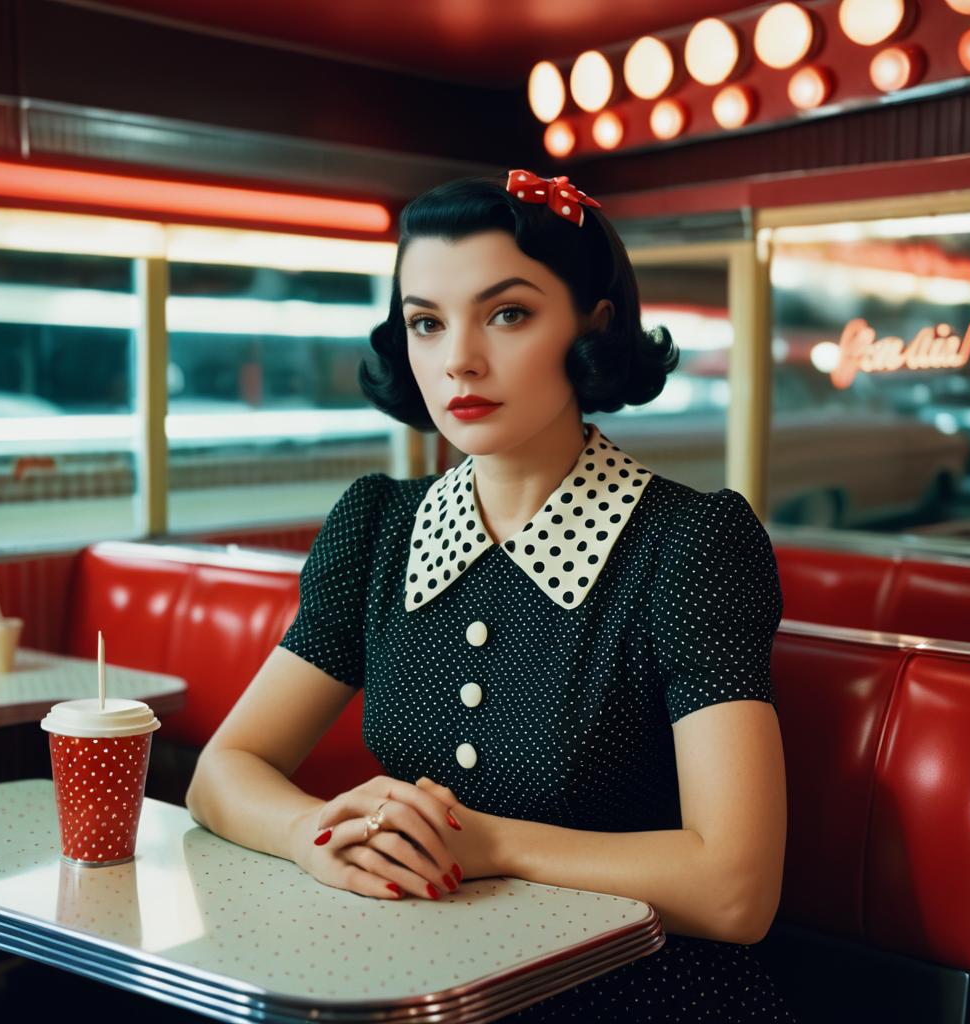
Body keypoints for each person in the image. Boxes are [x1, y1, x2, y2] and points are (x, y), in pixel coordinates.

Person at [185, 170, 797, 1022]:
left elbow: (737, 890)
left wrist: (494, 845)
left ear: (595, 323)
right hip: (417, 981)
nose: (458, 360)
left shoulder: (690, 546)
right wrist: (315, 837)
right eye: (426, 323)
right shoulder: (376, 527)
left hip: (633, 996)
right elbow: (221, 773)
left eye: (507, 313)